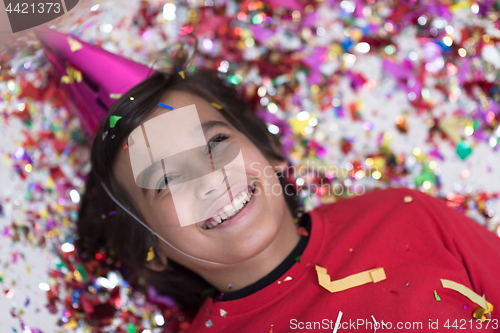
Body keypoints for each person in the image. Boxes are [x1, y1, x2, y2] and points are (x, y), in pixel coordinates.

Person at [51, 36, 500, 332]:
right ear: (151, 246)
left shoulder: (403, 215)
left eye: (217, 143)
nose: (210, 177)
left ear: (272, 156)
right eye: (166, 179)